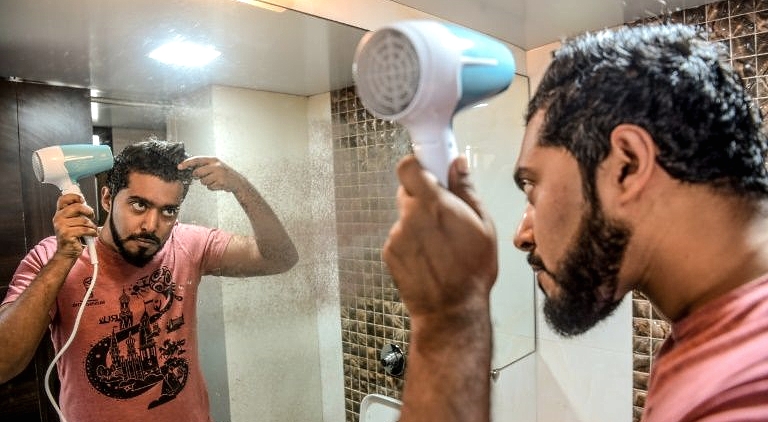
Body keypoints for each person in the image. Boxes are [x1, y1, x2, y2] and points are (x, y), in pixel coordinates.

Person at [383, 23, 768, 422]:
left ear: (627, 165)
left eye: (533, 188)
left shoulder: (747, 393)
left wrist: (449, 318)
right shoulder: (715, 342)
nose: (521, 235)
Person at [0, 140, 298, 421]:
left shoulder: (188, 244)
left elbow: (280, 258)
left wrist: (240, 187)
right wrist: (63, 259)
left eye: (168, 211)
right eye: (139, 205)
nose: (152, 226)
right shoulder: (52, 257)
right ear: (107, 198)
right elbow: (3, 363)